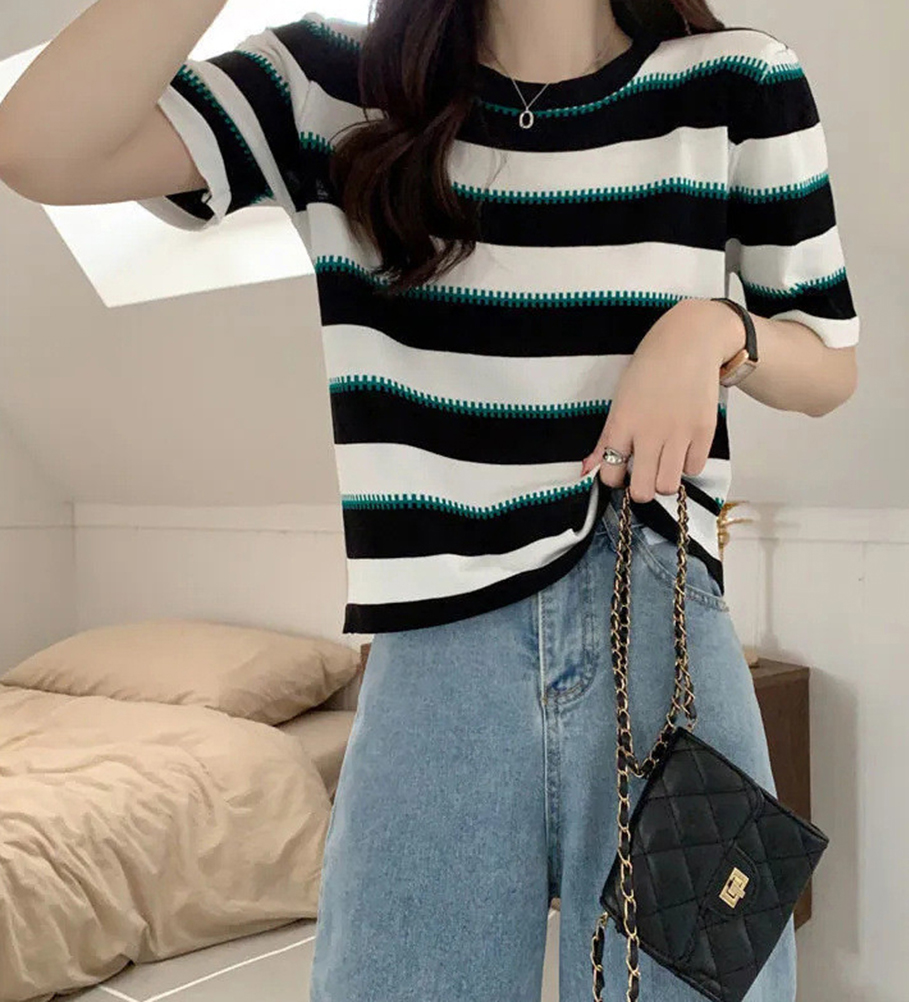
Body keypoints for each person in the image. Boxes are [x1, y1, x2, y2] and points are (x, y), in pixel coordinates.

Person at [0, 0, 859, 998]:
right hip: (435, 666)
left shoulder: (738, 81)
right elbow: (38, 146)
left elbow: (829, 362)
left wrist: (715, 330)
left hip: (664, 642)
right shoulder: (329, 86)